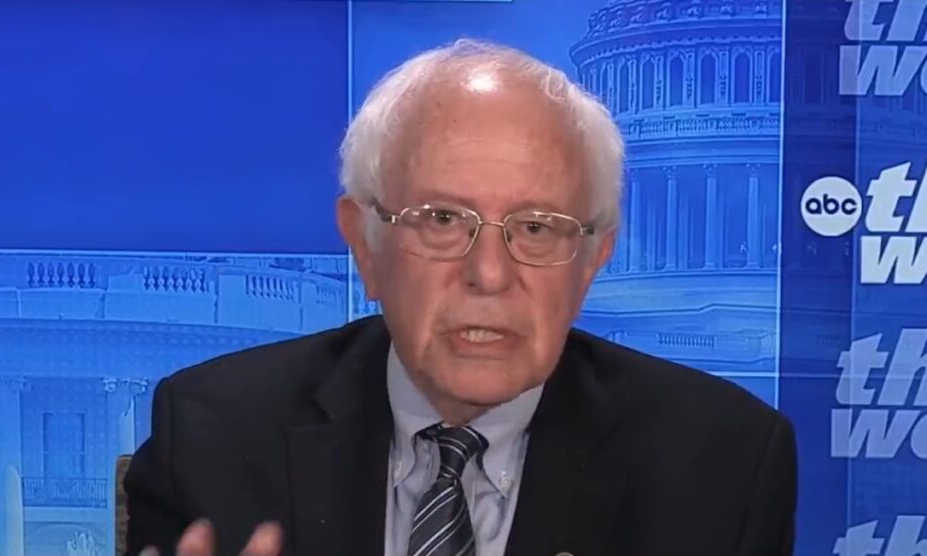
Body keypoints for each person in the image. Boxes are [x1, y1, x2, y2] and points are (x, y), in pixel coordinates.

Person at [124, 39, 797, 556]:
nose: (489, 274)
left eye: (537, 228)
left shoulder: (721, 467)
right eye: (442, 219)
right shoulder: (214, 435)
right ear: (364, 245)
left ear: (593, 259)